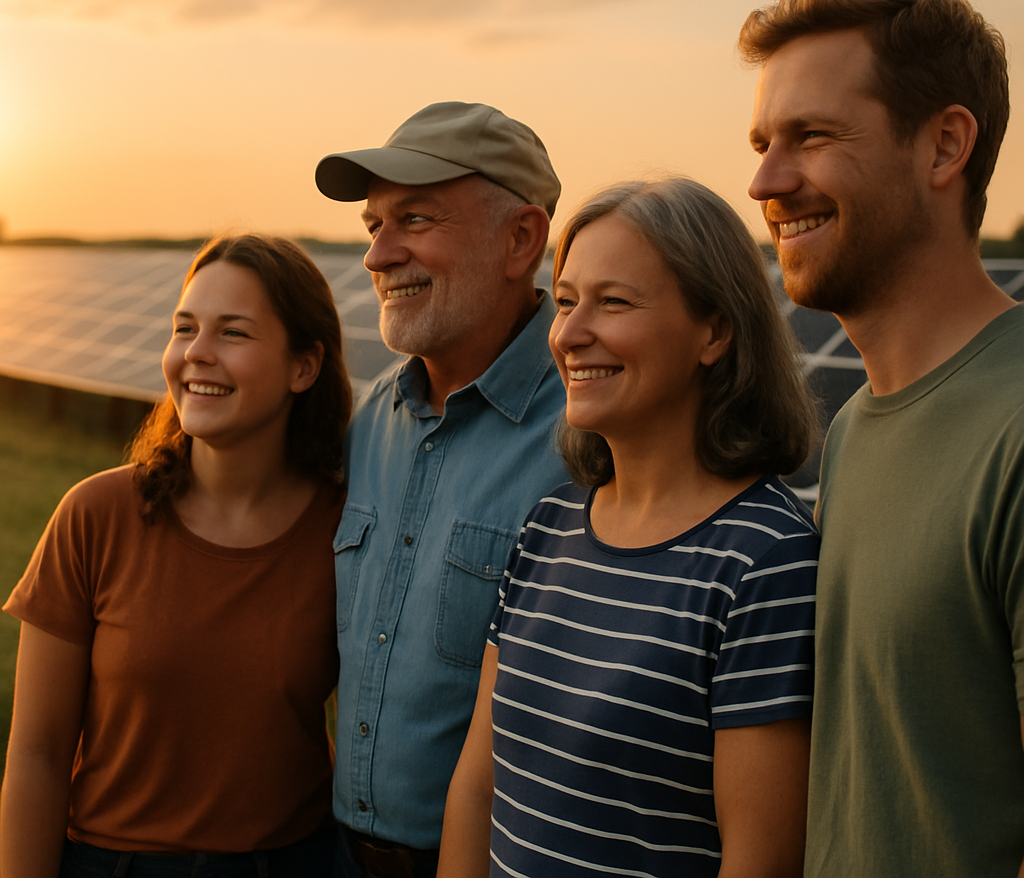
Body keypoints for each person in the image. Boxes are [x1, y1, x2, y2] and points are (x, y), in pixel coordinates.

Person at [437, 176, 821, 878]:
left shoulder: (767, 561)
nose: (571, 334)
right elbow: (477, 785)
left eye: (613, 303)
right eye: (568, 300)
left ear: (715, 331)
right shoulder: (549, 525)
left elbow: (758, 861)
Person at [739, 0, 1023, 876]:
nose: (765, 182)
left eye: (812, 137)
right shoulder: (856, 426)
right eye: (761, 144)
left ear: (944, 145)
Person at [1, 234, 352, 878]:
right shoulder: (96, 516)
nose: (196, 354)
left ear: (304, 367)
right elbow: (37, 754)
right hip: (112, 865)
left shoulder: (349, 531)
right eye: (184, 328)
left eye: (233, 333)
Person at [315, 101, 571, 877]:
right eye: (373, 226)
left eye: (415, 220)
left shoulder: (593, 436)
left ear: (521, 239)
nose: (378, 256)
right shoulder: (371, 423)